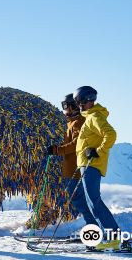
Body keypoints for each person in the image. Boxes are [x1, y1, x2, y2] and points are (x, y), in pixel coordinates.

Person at [73, 86, 130, 251]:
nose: (79, 105)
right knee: (92, 203)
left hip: (91, 165)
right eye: (77, 102)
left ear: (89, 100)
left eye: (81, 101)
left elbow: (111, 134)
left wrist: (98, 151)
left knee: (94, 203)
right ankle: (111, 237)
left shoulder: (95, 117)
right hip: (86, 165)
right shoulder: (91, 116)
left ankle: (114, 238)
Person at [47, 94, 98, 227]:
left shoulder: (78, 122)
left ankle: (93, 228)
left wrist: (58, 150)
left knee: (79, 200)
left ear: (73, 106)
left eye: (65, 106)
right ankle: (92, 226)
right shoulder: (72, 122)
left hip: (74, 169)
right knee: (78, 199)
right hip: (70, 168)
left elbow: (77, 143)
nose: (64, 110)